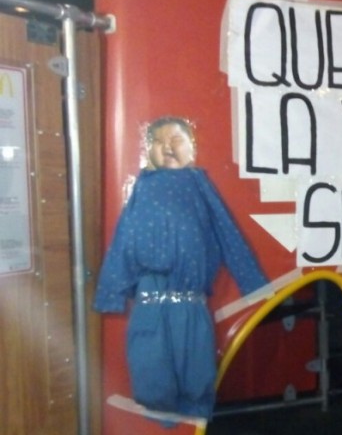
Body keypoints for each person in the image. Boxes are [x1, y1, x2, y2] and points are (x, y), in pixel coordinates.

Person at [94, 116, 268, 421]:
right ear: (149, 149)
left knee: (197, 372)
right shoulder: (143, 187)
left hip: (191, 299)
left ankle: (192, 417)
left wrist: (251, 281)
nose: (167, 147)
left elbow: (226, 230)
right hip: (149, 299)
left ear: (191, 147)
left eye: (175, 140)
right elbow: (124, 240)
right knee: (150, 369)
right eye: (158, 142)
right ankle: (160, 418)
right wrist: (111, 293)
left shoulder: (199, 184)